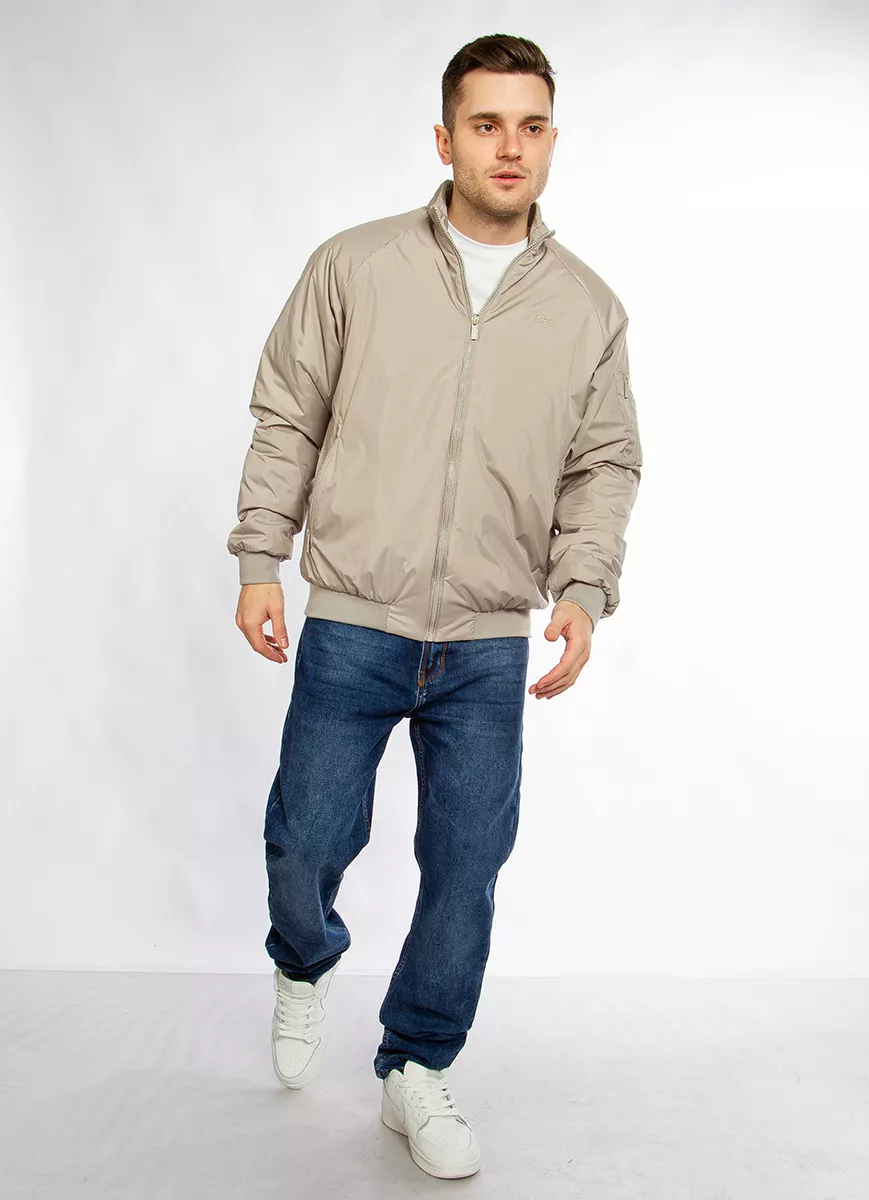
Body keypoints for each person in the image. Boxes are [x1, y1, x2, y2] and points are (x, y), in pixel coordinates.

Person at [227, 32, 642, 1180]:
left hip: (487, 641)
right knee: (307, 836)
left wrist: (584, 589)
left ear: (552, 139)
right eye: (486, 123)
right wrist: (261, 558)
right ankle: (303, 957)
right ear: (446, 138)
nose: (510, 147)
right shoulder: (355, 266)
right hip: (354, 618)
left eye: (531, 125)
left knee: (467, 863)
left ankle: (416, 1064)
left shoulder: (588, 308)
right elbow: (288, 415)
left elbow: (603, 464)